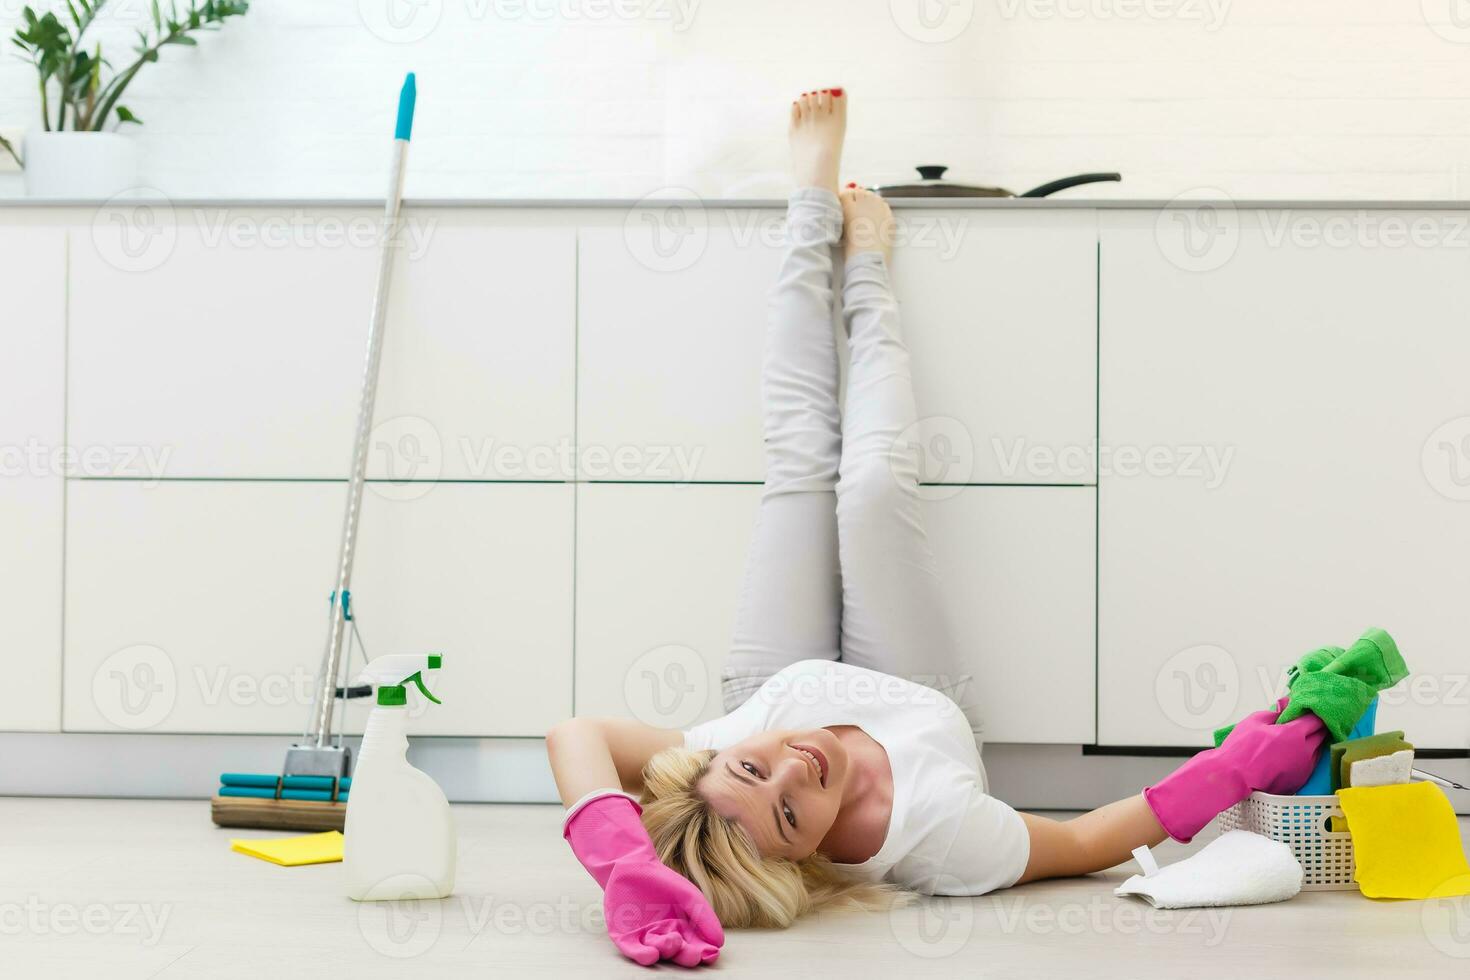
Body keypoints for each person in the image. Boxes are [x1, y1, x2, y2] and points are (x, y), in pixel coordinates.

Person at [547, 87, 1326, 968]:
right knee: (874, 486)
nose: (796, 769)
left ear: (720, 765)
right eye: (791, 814)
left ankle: (810, 205)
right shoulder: (943, 840)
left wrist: (622, 865)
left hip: (779, 679)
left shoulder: (731, 744)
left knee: (803, 463)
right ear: (803, 864)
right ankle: (869, 270)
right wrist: (1235, 767)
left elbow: (574, 736)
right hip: (914, 691)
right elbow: (1084, 844)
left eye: (757, 772)